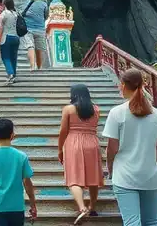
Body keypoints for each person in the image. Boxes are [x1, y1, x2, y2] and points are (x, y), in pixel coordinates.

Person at [104, 68, 157, 226]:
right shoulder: (155, 113)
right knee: (151, 221)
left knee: (132, 222)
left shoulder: (117, 113)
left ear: (124, 86)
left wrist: (110, 168)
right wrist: (151, 158)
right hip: (150, 176)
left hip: (125, 176)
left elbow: (112, 147)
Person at [0, 118, 38, 226]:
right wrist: (33, 205)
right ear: (12, 135)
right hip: (17, 207)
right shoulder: (21, 156)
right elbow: (27, 183)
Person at [58, 84, 103, 223]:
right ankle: (92, 207)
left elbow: (63, 131)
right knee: (93, 176)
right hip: (92, 142)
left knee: (74, 177)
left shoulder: (69, 109)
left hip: (74, 142)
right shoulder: (96, 109)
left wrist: (60, 149)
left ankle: (82, 207)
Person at [21, 0, 50, 71]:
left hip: (28, 28)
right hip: (40, 28)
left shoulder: (25, 3)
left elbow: (21, 14)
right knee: (39, 49)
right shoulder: (44, 4)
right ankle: (39, 67)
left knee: (30, 47)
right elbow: (46, 16)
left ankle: (32, 66)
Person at [0, 0, 21, 84]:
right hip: (16, 37)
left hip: (6, 37)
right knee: (13, 57)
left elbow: (1, 28)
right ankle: (14, 75)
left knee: (5, 57)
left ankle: (10, 73)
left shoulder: (4, 14)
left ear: (4, 5)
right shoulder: (16, 14)